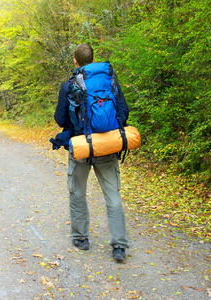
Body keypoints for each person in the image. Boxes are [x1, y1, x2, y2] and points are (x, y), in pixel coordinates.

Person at [53, 43, 130, 262]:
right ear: (93, 59)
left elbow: (60, 119)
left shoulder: (69, 85)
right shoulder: (109, 80)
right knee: (112, 194)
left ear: (75, 61)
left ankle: (81, 238)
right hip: (107, 145)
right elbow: (123, 111)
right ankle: (119, 246)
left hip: (81, 148)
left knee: (77, 192)